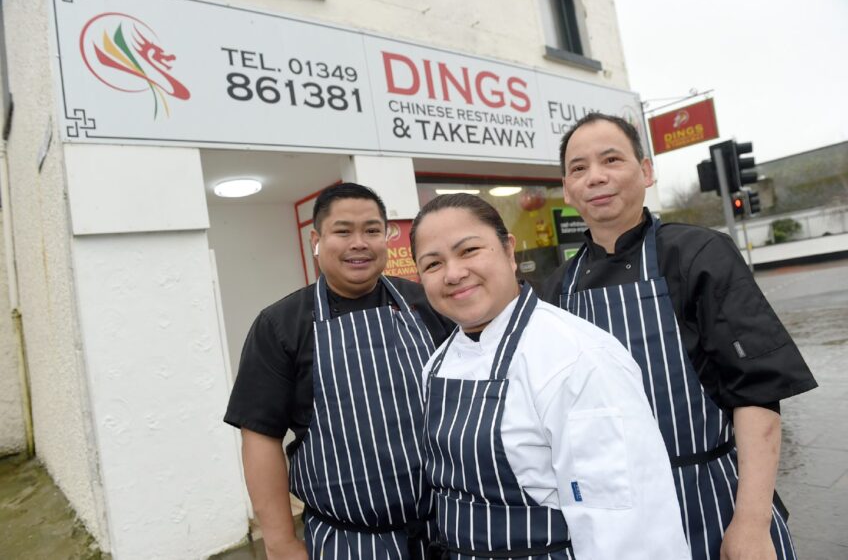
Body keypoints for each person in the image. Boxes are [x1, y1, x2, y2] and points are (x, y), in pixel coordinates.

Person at [541, 113, 818, 560]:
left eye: (611, 159)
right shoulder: (556, 291)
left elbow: (757, 392)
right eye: (578, 168)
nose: (595, 177)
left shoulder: (699, 255)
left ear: (646, 171)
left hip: (710, 497)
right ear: (568, 189)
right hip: (614, 517)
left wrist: (751, 521)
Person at [410, 193, 690, 559]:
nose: (453, 273)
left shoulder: (576, 358)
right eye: (432, 264)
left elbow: (625, 524)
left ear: (509, 251)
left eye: (469, 251)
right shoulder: (438, 364)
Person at [225, 183, 453, 559]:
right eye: (343, 231)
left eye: (372, 230)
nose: (359, 243)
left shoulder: (425, 304)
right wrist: (281, 543)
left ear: (387, 237)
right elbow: (261, 439)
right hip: (348, 541)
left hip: (448, 530)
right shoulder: (281, 325)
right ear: (317, 239)